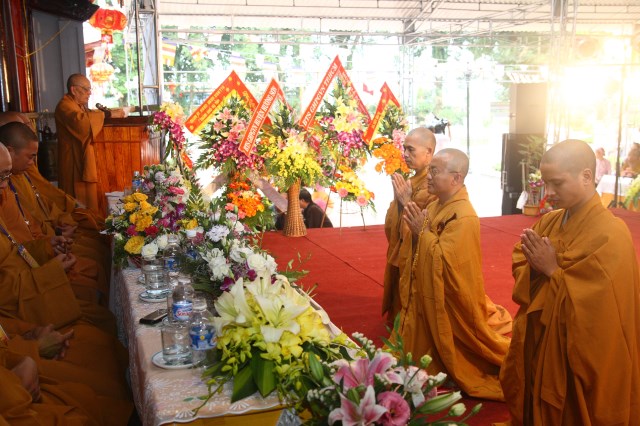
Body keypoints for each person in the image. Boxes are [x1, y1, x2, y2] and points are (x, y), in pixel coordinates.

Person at [500, 139, 640, 425]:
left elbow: (605, 313)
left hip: (579, 354)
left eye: (557, 183)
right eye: (546, 183)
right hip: (543, 341)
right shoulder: (549, 222)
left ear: (587, 176)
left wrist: (552, 270)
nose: (549, 193)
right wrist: (536, 267)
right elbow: (522, 261)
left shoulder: (611, 234)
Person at [399, 148, 512, 401]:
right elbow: (422, 246)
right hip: (430, 295)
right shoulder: (437, 204)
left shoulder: (463, 216)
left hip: (452, 300)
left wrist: (422, 233)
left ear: (456, 178)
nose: (428, 176)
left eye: (435, 171)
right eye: (429, 170)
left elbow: (447, 265)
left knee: (470, 356)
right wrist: (418, 230)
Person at [0, 123, 109, 305]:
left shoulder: (15, 179)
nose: (4, 184)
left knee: (99, 246)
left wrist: (50, 241)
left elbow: (40, 208)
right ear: (10, 150)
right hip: (25, 292)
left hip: (35, 262)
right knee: (93, 272)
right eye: (2, 176)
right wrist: (51, 269)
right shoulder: (8, 186)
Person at [382, 127, 437, 324]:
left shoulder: (435, 183)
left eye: (411, 149)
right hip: (404, 251)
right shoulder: (412, 180)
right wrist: (399, 202)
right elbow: (392, 225)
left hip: (422, 258)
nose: (405, 154)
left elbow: (430, 227)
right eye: (404, 148)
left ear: (428, 152)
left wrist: (405, 201)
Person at [55, 74, 122, 216]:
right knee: (76, 202)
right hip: (72, 162)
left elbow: (90, 115)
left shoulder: (78, 105)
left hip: (81, 159)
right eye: (86, 89)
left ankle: (91, 223)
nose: (89, 93)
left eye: (90, 89)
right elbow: (83, 124)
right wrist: (108, 115)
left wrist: (110, 113)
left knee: (87, 201)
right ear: (74, 90)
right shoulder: (64, 106)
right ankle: (81, 226)